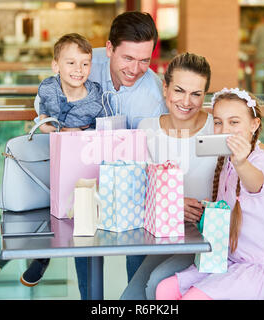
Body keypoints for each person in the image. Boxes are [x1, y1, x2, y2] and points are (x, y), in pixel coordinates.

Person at [120, 53, 264, 300]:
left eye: (196, 94)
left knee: (156, 283)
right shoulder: (152, 130)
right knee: (142, 292)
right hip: (184, 238)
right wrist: (172, 203)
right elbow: (136, 188)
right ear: (165, 88)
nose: (186, 101)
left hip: (222, 248)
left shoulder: (226, 140)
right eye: (179, 90)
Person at [27, 11, 168, 299]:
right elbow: (50, 90)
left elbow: (151, 152)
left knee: (137, 241)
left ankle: (135, 298)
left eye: (145, 60)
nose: (136, 68)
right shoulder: (88, 62)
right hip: (82, 169)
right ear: (109, 49)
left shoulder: (154, 95)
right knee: (81, 223)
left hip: (128, 175)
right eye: (128, 58)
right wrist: (52, 122)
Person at [155, 88, 264, 300]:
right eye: (219, 122)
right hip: (230, 260)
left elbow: (254, 182)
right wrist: (209, 208)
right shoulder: (227, 162)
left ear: (254, 124)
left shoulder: (260, 161)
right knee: (165, 289)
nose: (225, 129)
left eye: (234, 122)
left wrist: (241, 162)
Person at [20, 33, 108, 287]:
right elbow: (47, 117)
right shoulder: (48, 88)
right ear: (56, 66)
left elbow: (100, 126)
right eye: (70, 63)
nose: (79, 70)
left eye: (85, 63)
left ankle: (89, 289)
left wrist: (76, 132)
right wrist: (50, 125)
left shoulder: (95, 94)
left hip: (85, 165)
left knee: (81, 219)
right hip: (54, 161)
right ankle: (43, 254)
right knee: (49, 209)